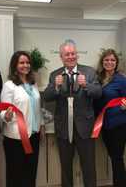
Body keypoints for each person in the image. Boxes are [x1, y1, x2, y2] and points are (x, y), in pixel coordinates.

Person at [43, 39, 102, 187]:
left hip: (85, 128)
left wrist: (86, 85)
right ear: (61, 57)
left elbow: (98, 93)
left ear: (77, 55)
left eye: (73, 53)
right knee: (65, 167)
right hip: (63, 129)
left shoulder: (89, 72)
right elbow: (47, 97)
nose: (71, 57)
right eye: (67, 54)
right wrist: (55, 87)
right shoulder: (54, 74)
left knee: (89, 167)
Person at [0, 51, 44, 187]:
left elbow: (37, 108)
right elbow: (3, 110)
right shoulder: (9, 85)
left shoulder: (33, 84)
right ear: (15, 65)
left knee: (31, 173)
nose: (25, 65)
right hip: (16, 138)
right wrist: (5, 116)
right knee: (16, 175)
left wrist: (41, 126)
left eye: (27, 62)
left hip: (34, 135)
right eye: (21, 62)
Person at [94, 49, 126, 187]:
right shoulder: (98, 79)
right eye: (106, 60)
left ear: (116, 63)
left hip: (119, 124)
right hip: (104, 125)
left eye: (112, 60)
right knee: (113, 156)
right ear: (102, 62)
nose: (109, 62)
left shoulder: (121, 80)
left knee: (117, 158)